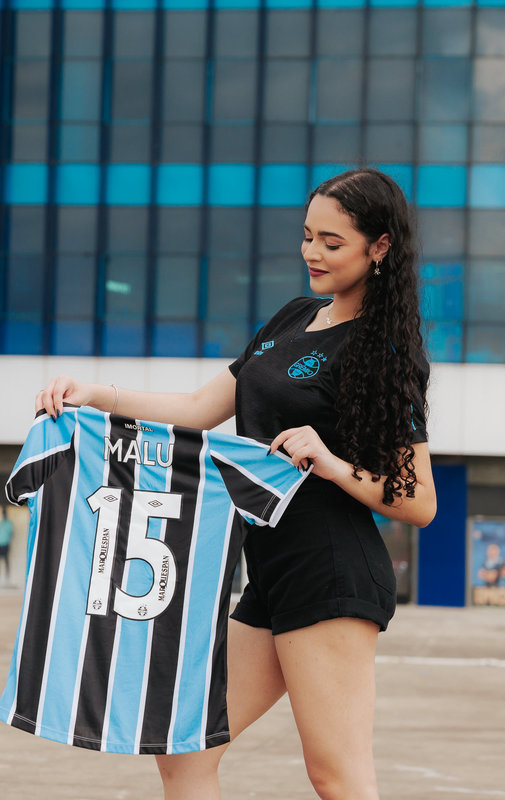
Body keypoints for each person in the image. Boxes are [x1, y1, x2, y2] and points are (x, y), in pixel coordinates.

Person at [35, 168, 436, 800]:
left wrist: (331, 461)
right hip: (269, 570)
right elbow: (199, 408)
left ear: (379, 247)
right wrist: (96, 395)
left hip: (331, 573)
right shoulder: (295, 316)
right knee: (184, 748)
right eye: (308, 235)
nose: (312, 252)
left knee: (337, 777)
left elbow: (418, 501)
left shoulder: (381, 350)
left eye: (332, 242)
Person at [0, 507, 14, 585]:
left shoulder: (9, 523)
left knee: (6, 561)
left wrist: (8, 541)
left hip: (5, 544)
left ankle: (7, 578)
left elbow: (11, 534)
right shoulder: (0, 523)